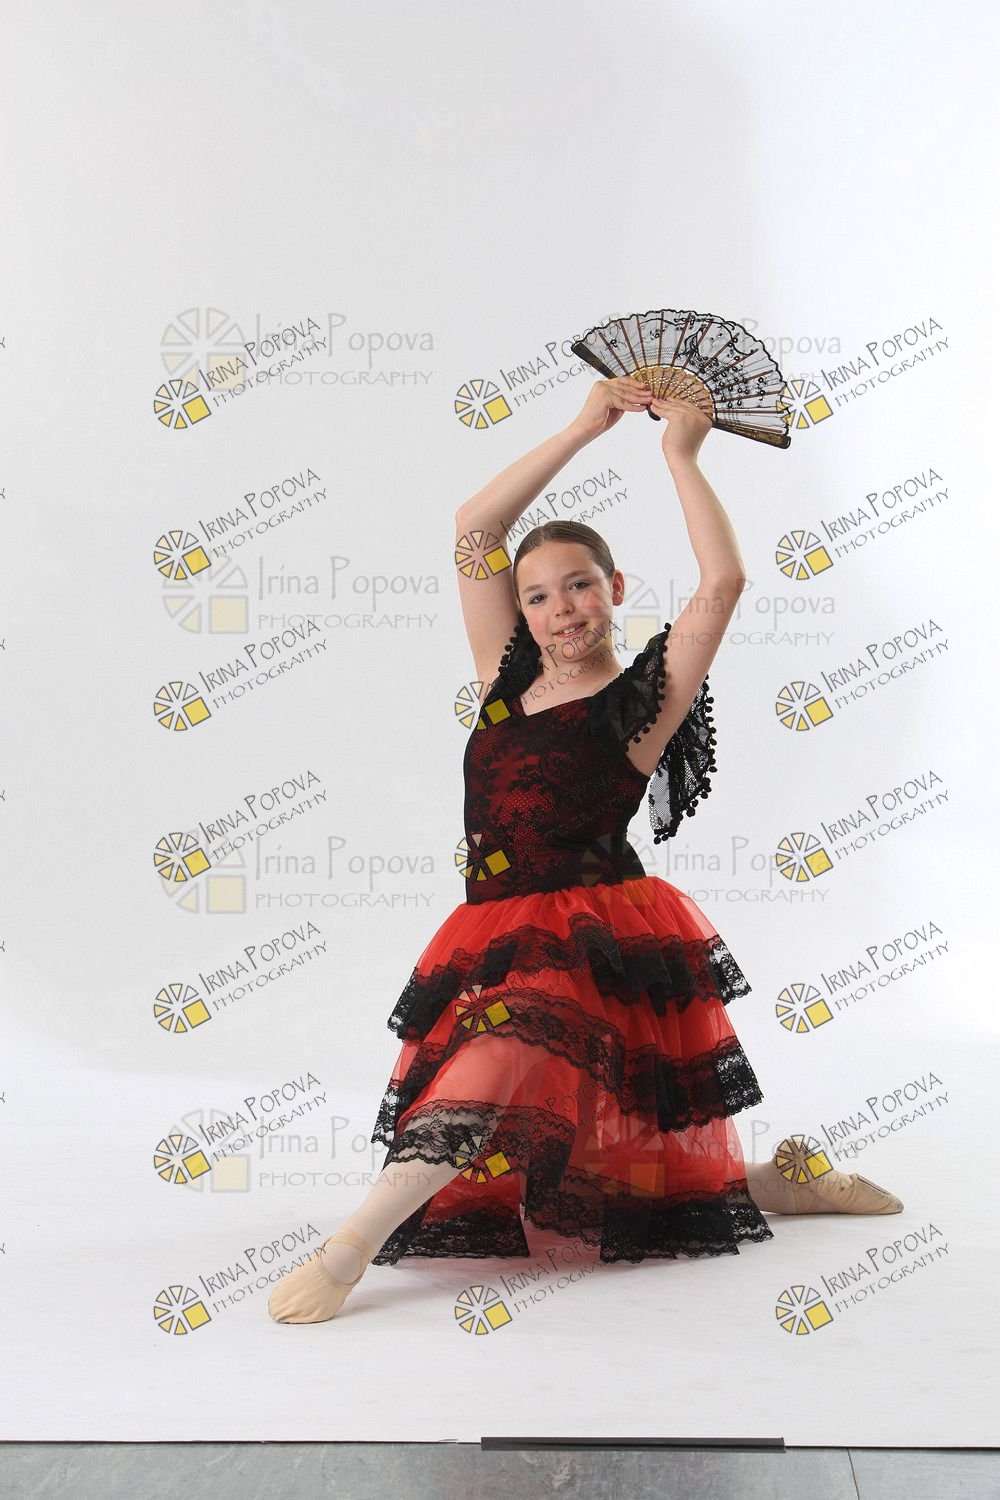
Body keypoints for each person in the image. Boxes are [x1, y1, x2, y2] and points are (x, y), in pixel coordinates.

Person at [268, 377, 903, 1325]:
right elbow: (474, 528)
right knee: (599, 1169)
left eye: (578, 585)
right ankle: (781, 1179)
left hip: (592, 927)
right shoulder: (504, 679)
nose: (560, 608)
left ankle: (347, 1250)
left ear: (615, 590)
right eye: (537, 595)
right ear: (520, 612)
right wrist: (583, 427)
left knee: (495, 1061)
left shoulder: (643, 702)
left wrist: (680, 453)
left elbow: (723, 585)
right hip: (490, 923)